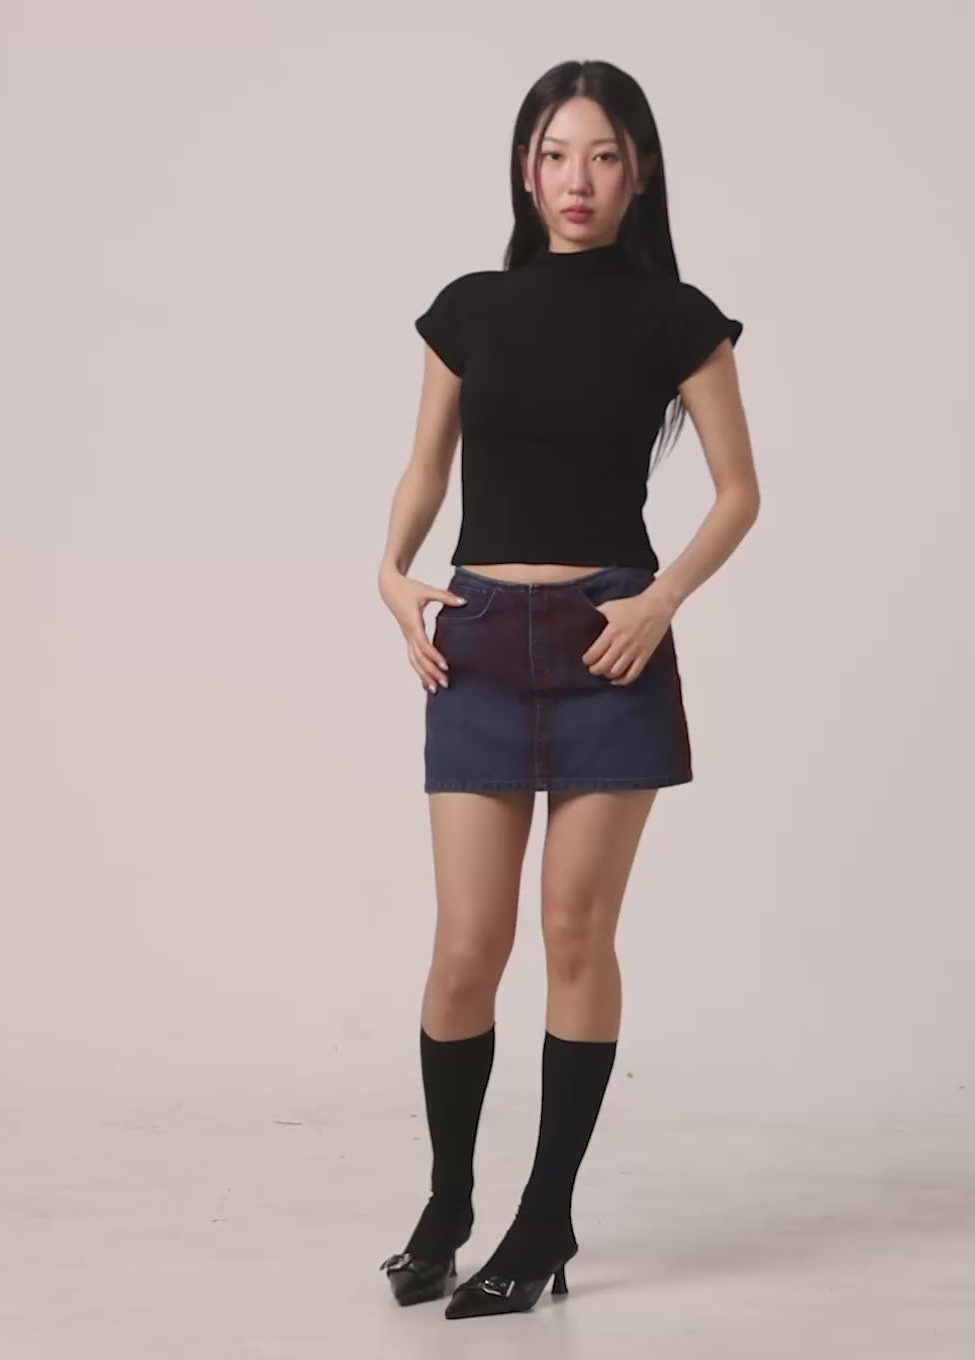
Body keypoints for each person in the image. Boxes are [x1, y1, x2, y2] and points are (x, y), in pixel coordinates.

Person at [376, 58, 759, 1320]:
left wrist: (661, 599)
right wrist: (390, 573)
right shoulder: (469, 309)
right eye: (554, 154)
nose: (576, 179)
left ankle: (543, 1220)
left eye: (601, 155)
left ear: (637, 172)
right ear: (524, 170)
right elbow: (426, 469)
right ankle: (448, 1202)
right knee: (463, 949)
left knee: (575, 934)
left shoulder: (678, 318)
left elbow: (739, 491)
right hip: (479, 643)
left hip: (609, 649)